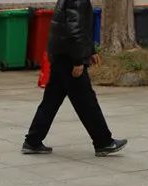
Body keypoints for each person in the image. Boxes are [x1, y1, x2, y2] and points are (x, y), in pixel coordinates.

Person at [22, 0, 127, 157]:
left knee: (51, 101)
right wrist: (78, 60)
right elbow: (74, 29)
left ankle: (32, 141)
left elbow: (79, 27)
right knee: (87, 102)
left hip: (61, 55)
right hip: (69, 58)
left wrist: (90, 50)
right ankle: (104, 142)